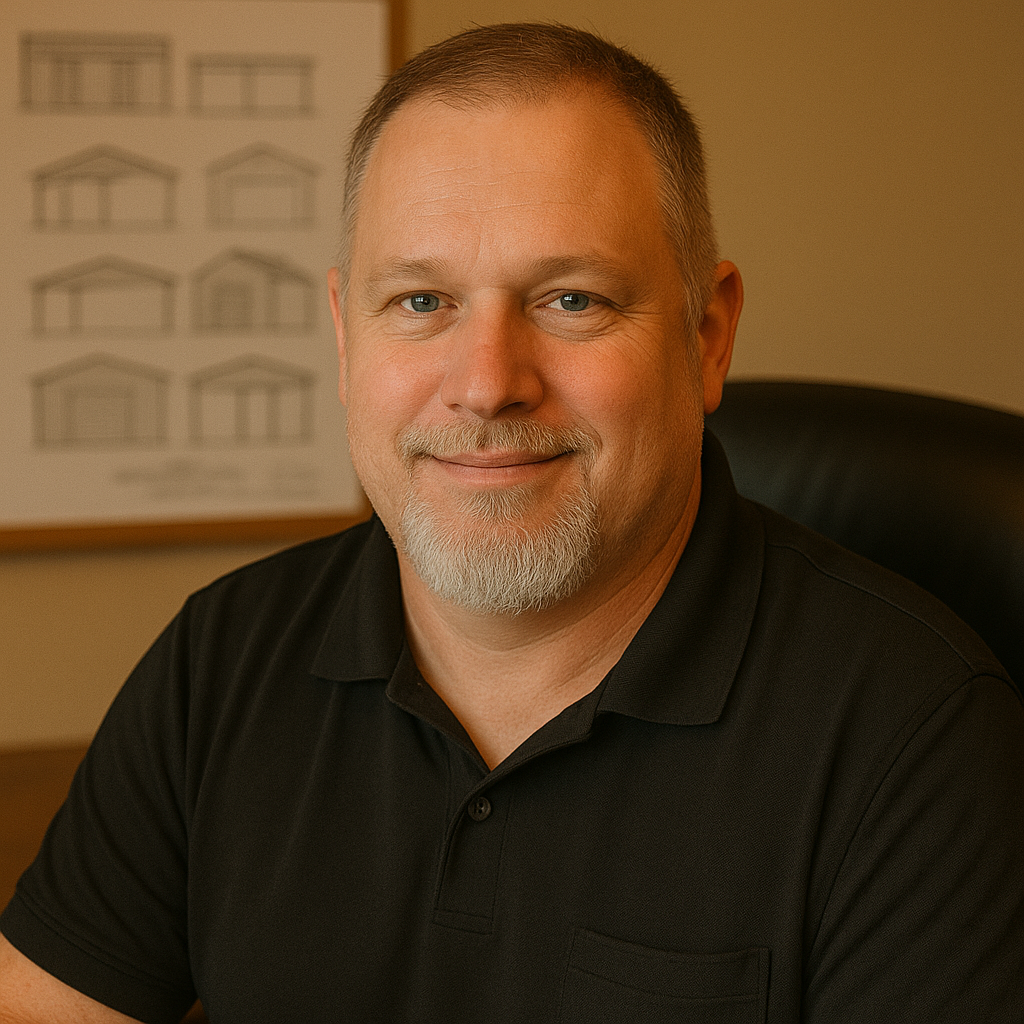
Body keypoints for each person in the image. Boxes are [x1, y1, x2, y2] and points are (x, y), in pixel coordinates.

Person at [1, 22, 1021, 1023]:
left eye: (571, 299)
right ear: (345, 338)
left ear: (706, 337)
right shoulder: (219, 661)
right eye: (420, 301)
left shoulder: (914, 735)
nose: (487, 383)